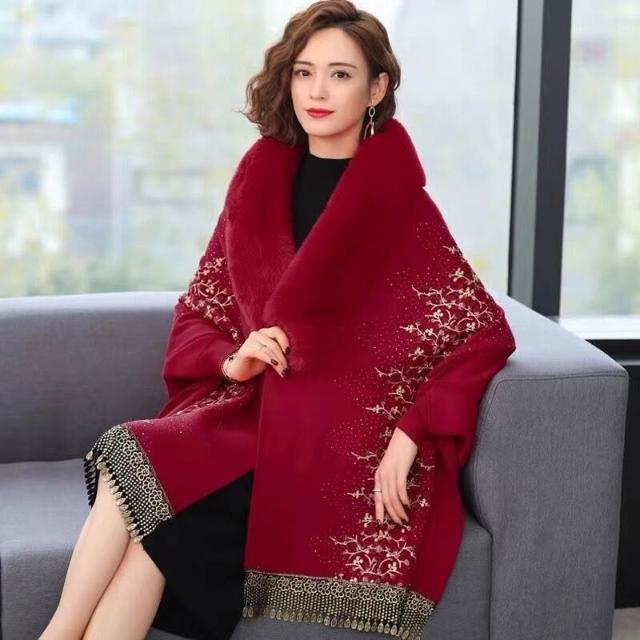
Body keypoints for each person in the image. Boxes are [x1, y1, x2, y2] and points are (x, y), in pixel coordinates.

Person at [39, 1, 517, 639]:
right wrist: (232, 360)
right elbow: (202, 307)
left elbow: (481, 333)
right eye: (304, 72)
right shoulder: (257, 181)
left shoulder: (398, 206)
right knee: (140, 484)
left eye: (341, 75)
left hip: (337, 430)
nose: (317, 92)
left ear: (377, 88)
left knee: (154, 523)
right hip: (251, 412)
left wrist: (410, 434)